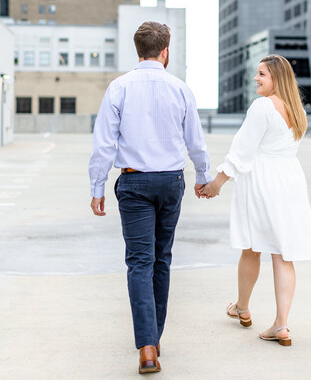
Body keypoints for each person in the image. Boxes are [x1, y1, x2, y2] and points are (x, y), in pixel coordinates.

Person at [89, 21, 211, 374]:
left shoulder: (119, 88)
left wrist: (97, 187)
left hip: (134, 183)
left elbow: (103, 144)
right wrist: (202, 177)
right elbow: (196, 142)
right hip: (171, 181)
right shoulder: (180, 88)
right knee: (162, 259)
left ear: (138, 50)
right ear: (165, 51)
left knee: (139, 262)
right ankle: (153, 339)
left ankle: (147, 348)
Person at [200, 54, 311, 346]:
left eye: (262, 74)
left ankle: (242, 307)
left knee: (251, 247)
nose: (256, 78)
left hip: (262, 181)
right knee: (283, 253)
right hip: (290, 181)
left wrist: (217, 183)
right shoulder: (297, 110)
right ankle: (281, 325)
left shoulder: (262, 107)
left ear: (277, 79)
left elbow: (242, 151)